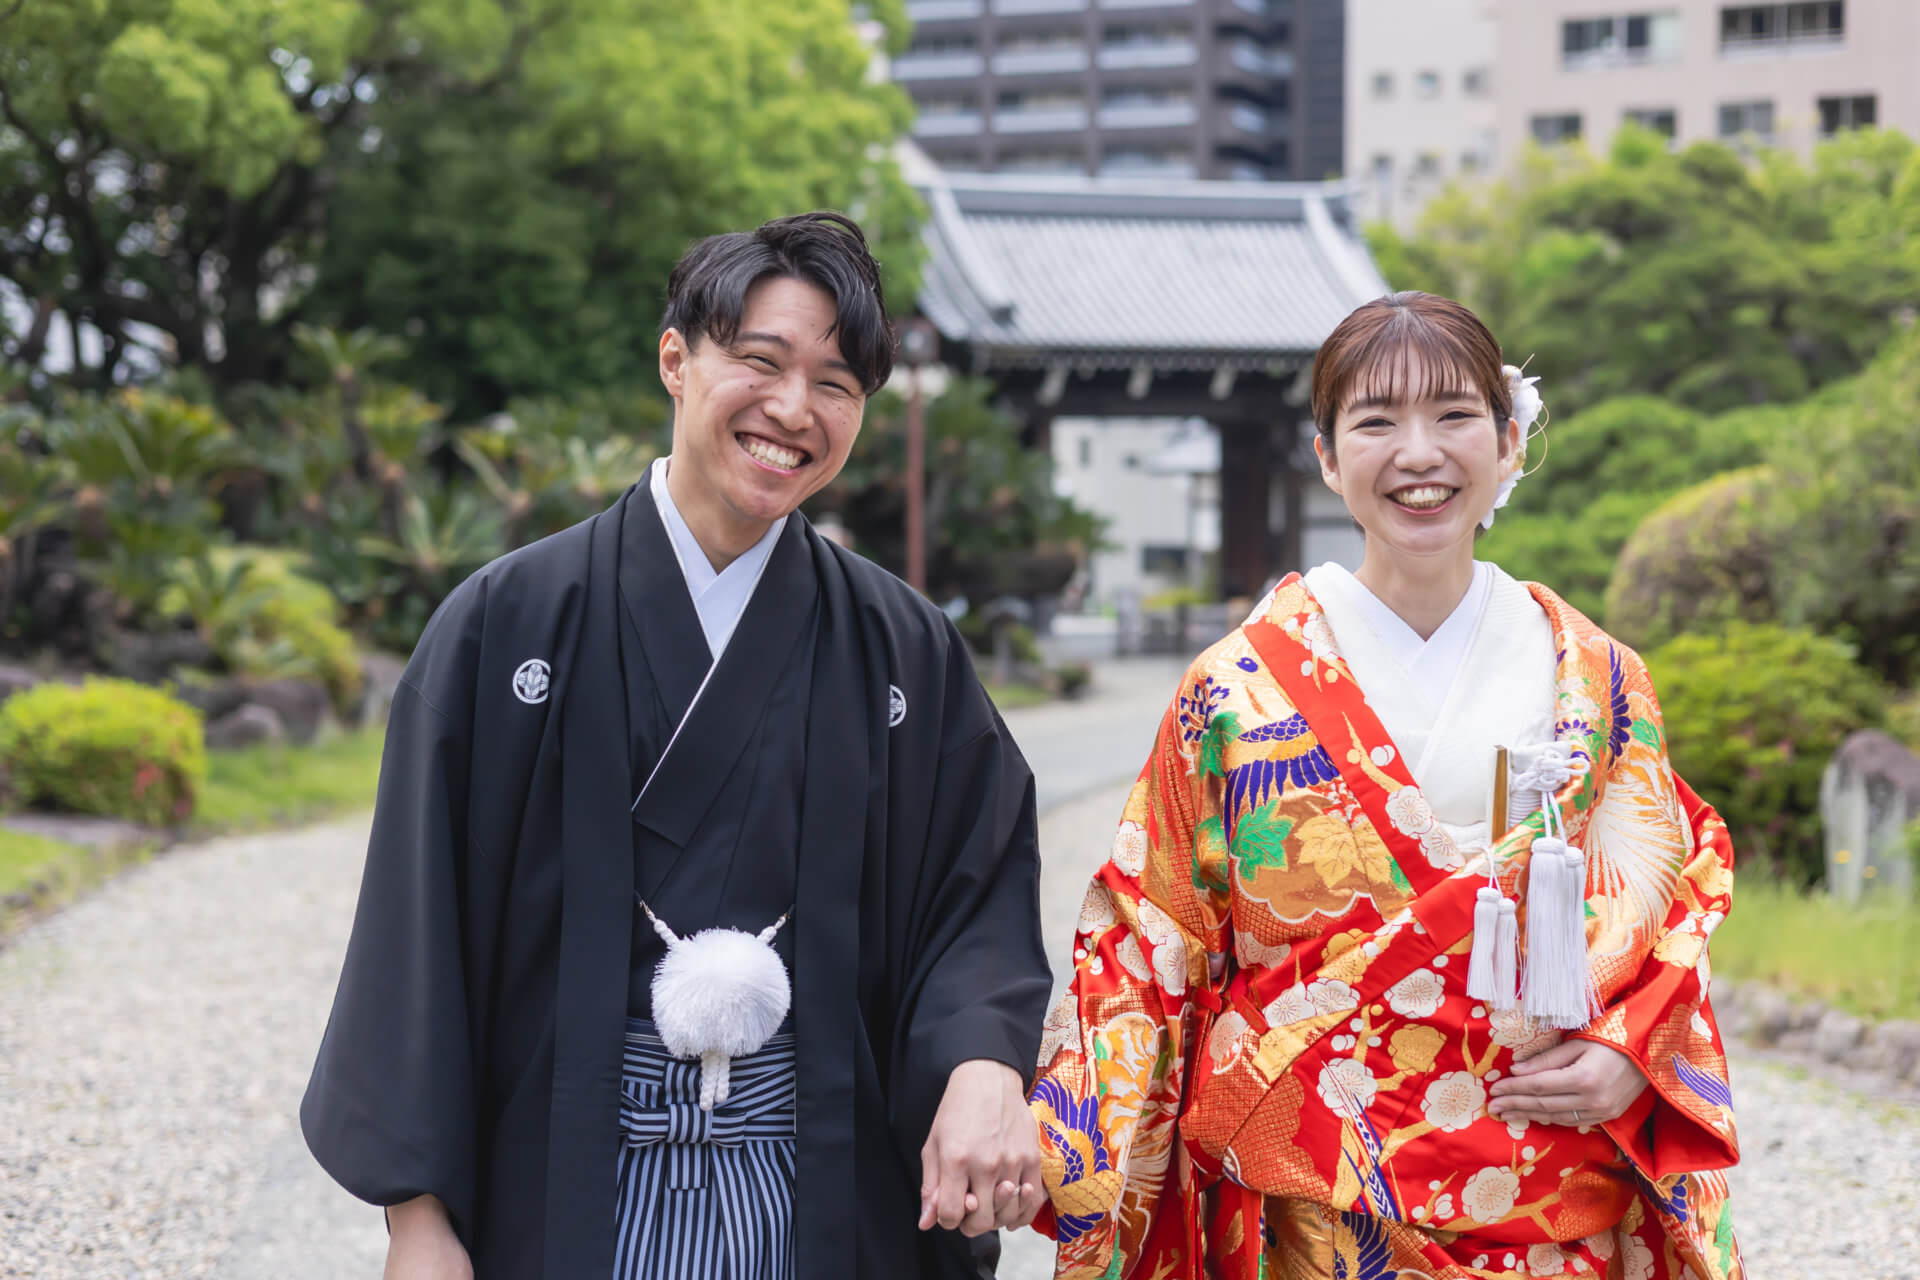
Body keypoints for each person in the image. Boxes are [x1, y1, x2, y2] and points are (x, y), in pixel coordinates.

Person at [302, 211, 1052, 1280]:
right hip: (564, 1188)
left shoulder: (904, 648)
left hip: (818, 1192)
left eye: (837, 384)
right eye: (762, 362)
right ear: (675, 360)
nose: (793, 409)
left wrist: (982, 1063)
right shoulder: (508, 625)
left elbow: (975, 898)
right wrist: (416, 1217)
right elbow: (414, 929)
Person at [1027, 292, 1743, 1279]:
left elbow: (1676, 896)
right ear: (1326, 455)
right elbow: (1146, 936)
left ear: (1509, 441)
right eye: (1375, 421)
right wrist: (1053, 1139)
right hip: (1316, 1211)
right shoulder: (1234, 690)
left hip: (1550, 1190)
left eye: (1454, 415)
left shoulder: (1599, 677)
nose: (1418, 453)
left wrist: (1633, 1047)